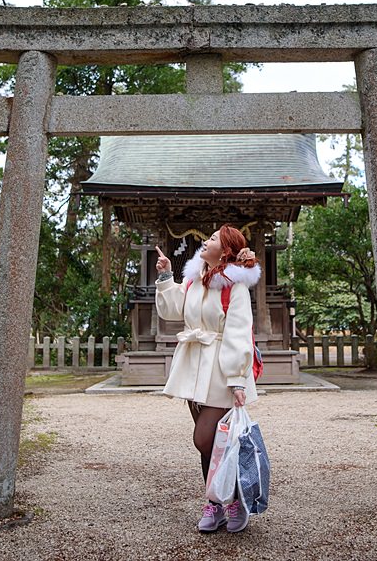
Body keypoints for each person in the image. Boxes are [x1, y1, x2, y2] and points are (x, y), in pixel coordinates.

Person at [154, 223, 261, 533]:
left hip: (221, 372)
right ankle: (216, 504)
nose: (206, 240)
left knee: (205, 438)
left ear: (225, 250)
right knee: (212, 445)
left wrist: (237, 378)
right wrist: (165, 275)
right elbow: (174, 310)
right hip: (194, 370)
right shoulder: (196, 279)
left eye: (213, 238)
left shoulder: (234, 286)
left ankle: (235, 501)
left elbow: (239, 332)